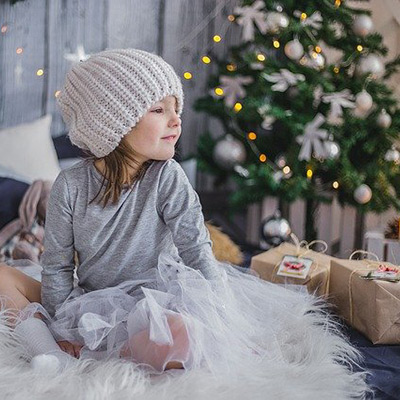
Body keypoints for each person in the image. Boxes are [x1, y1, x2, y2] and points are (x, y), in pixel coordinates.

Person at [0, 49, 366, 391]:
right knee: (3, 275)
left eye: (176, 108)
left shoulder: (167, 176)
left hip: (157, 296)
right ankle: (50, 354)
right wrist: (68, 326)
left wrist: (225, 323)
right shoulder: (70, 186)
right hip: (93, 296)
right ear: (114, 123)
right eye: (159, 110)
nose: (177, 120)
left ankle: (112, 355)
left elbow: (196, 249)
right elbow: (58, 266)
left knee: (180, 335)